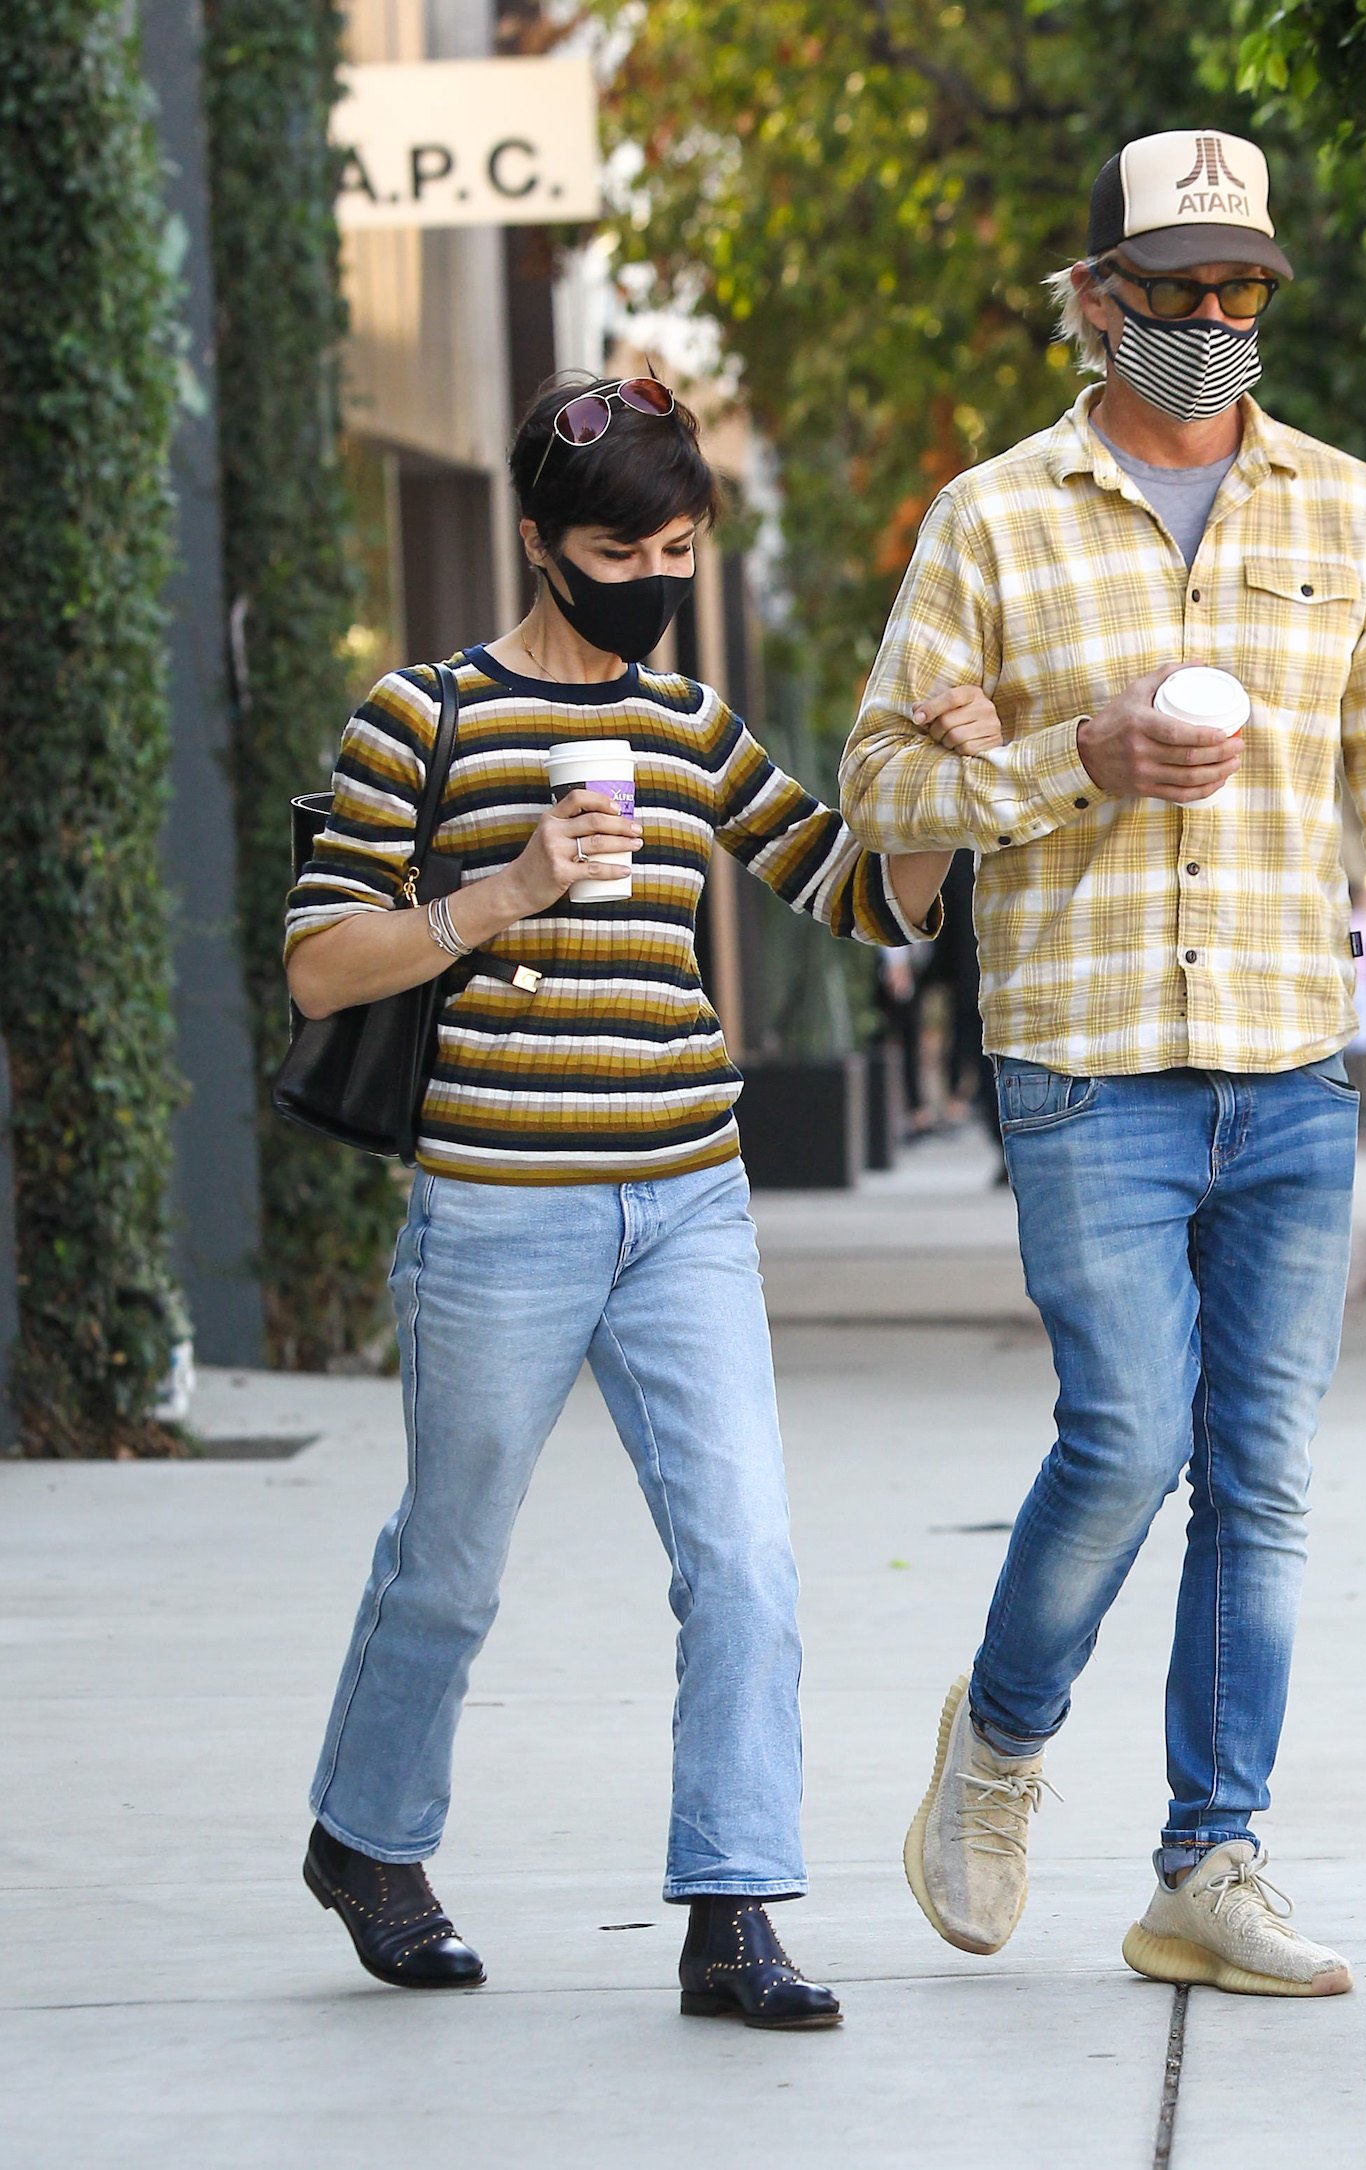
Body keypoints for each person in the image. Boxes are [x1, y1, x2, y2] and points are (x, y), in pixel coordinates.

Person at [840, 129, 1366, 1998]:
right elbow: (877, 790)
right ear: (1095, 296)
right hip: (1086, 1066)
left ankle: (1208, 1863)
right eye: (1176, 292)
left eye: (1242, 294)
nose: (1215, 324)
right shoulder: (994, 517)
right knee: (1129, 1437)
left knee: (1264, 1478)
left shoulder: (1349, 512)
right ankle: (996, 1744)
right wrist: (1080, 756)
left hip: (1293, 1070)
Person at [286, 374, 998, 2026]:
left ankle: (733, 1907)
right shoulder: (424, 719)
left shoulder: (691, 728)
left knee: (745, 1555)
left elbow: (860, 901)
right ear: (538, 540)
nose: (654, 577)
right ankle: (366, 1840)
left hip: (687, 1199)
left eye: (680, 546)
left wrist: (941, 799)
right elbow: (324, 965)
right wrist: (509, 886)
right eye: (621, 548)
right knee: (453, 1559)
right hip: (495, 1207)